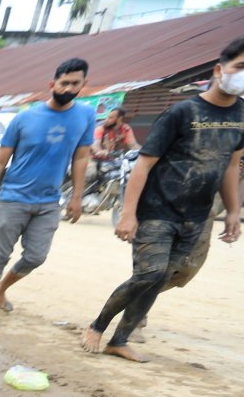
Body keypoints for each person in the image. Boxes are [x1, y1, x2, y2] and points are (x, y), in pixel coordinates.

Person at [83, 39, 243, 361]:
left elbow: (230, 165)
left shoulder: (242, 115)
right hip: (157, 210)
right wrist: (128, 213)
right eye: (239, 67)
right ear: (218, 70)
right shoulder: (182, 112)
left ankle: (119, 340)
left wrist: (233, 211)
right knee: (149, 274)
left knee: (162, 279)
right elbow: (143, 164)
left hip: (195, 216)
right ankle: (98, 326)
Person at [0, 58, 95, 323]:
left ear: (84, 84)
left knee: (36, 257)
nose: (68, 89)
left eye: (75, 83)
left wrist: (76, 198)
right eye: (64, 83)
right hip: (13, 198)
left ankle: (2, 289)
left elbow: (81, 158)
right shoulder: (24, 118)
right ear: (52, 84)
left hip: (49, 201)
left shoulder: (86, 116)